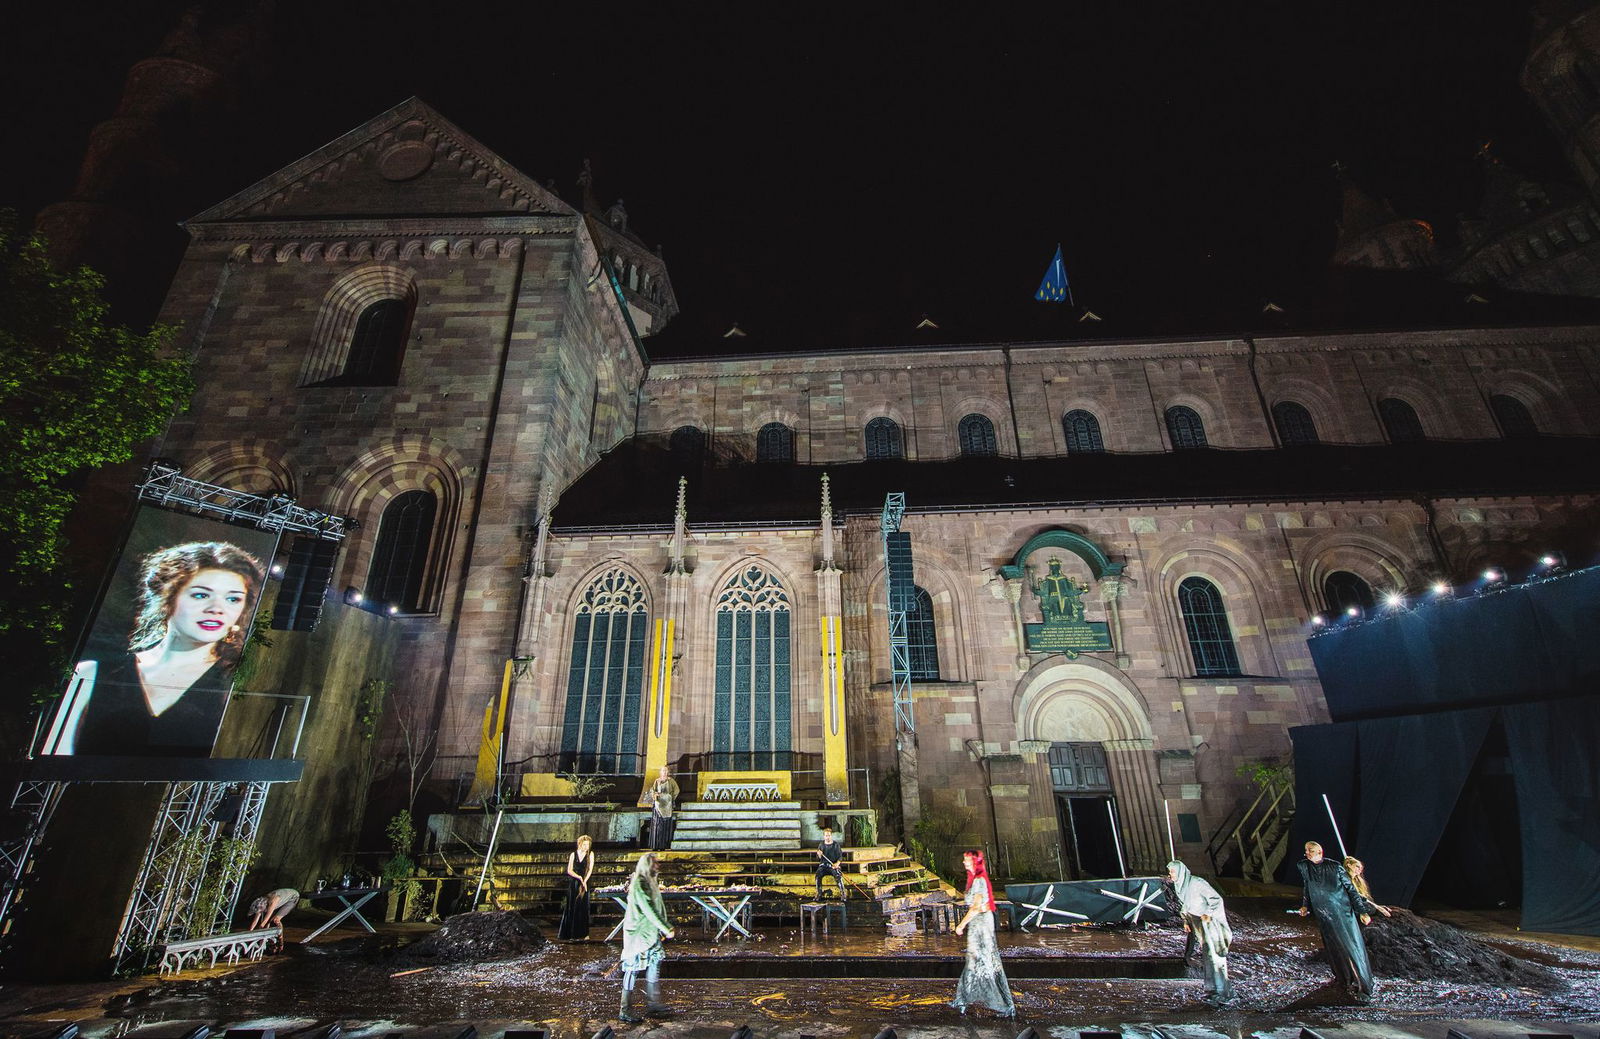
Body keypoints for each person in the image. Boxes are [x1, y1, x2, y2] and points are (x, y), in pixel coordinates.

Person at [67, 542, 266, 757]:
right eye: (200, 595)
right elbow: (51, 762)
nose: (216, 609)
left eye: (233, 599)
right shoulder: (90, 674)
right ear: (167, 597)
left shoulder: (237, 683)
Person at [1298, 841, 1391, 1002]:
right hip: (1323, 913)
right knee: (1333, 947)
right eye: (1306, 850)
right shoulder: (1305, 867)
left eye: (1311, 850)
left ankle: (1363, 986)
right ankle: (1343, 979)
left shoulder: (1334, 867)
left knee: (1349, 946)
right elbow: (1308, 886)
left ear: (1320, 852)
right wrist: (1305, 906)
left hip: (1341, 912)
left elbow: (1352, 891)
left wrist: (1362, 911)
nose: (1307, 853)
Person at [951, 849, 1014, 1018]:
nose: (964, 863)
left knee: (983, 960)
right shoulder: (974, 880)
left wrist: (961, 925)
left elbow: (976, 907)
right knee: (974, 959)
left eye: (967, 860)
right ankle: (962, 999)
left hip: (981, 923)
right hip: (978, 923)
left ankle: (1001, 1004)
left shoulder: (979, 881)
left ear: (974, 862)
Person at [1166, 860, 1234, 1005]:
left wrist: (1208, 913)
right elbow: (1186, 905)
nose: (1170, 874)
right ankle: (1212, 990)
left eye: (1172, 872)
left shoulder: (1197, 883)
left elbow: (1216, 899)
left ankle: (1223, 991)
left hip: (1209, 924)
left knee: (1215, 957)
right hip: (1198, 924)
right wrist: (1185, 920)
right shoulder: (1181, 886)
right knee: (1208, 957)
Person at [619, 852, 675, 1023]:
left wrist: (662, 928)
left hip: (650, 933)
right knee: (632, 969)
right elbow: (649, 908)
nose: (658, 865)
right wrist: (665, 928)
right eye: (655, 863)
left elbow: (658, 906)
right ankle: (625, 1008)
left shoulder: (650, 881)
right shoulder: (640, 883)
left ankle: (653, 1003)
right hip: (638, 935)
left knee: (654, 964)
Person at [558, 834, 595, 940]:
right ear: (580, 844)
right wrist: (578, 877)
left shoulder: (591, 854)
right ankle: (570, 933)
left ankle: (583, 933)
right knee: (572, 906)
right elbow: (569, 870)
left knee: (583, 907)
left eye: (587, 845)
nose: (586, 847)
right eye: (584, 845)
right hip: (574, 882)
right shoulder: (573, 855)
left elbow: (590, 870)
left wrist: (584, 881)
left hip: (585, 882)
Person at [645, 766, 680, 851]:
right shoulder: (657, 781)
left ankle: (663, 845)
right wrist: (655, 795)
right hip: (658, 805)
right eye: (662, 771)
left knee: (665, 826)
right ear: (660, 772)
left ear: (668, 772)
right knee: (657, 825)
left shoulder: (671, 781)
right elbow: (652, 791)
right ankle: (655, 845)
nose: (664, 772)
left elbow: (676, 790)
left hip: (667, 806)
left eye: (665, 770)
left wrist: (670, 798)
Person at [1343, 855, 1376, 926]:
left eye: (1361, 868)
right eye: (1357, 866)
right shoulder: (1344, 878)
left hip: (1358, 904)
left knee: (1371, 906)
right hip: (1347, 905)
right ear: (1349, 865)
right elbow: (1353, 895)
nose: (1360, 869)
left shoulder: (1358, 881)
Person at [814, 825, 844, 900]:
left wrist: (837, 864)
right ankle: (819, 893)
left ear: (831, 836)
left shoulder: (836, 845)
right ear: (824, 836)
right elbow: (818, 858)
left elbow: (840, 856)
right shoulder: (821, 845)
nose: (828, 837)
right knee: (818, 875)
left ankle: (843, 894)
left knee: (838, 875)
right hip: (823, 866)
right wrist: (819, 855)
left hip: (833, 865)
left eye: (829, 835)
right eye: (826, 836)